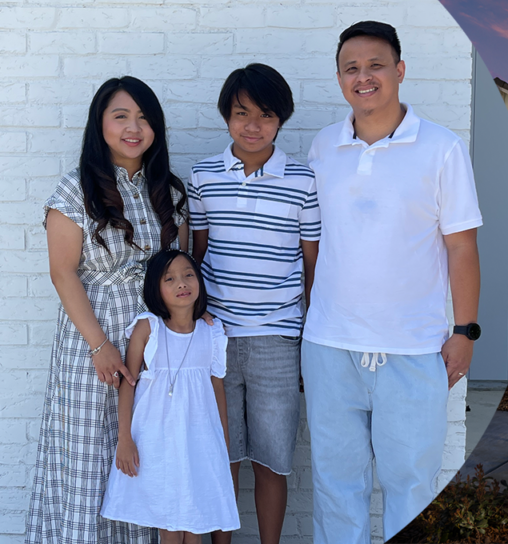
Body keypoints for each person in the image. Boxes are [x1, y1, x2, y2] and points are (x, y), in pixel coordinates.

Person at [302, 20, 483, 543]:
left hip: (412, 349)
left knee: (412, 490)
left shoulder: (442, 149)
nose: (364, 77)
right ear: (339, 79)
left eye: (375, 65)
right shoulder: (322, 150)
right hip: (330, 346)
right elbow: (312, 245)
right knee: (337, 488)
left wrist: (465, 330)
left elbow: (461, 246)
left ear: (400, 71)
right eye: (351, 68)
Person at [26, 77, 190, 544]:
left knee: (142, 450)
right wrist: (100, 346)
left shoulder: (169, 191)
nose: (133, 127)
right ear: (100, 125)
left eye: (144, 118)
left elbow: (179, 270)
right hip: (91, 343)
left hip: (154, 345)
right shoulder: (76, 189)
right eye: (121, 116)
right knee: (89, 453)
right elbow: (63, 273)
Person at [187, 63, 320, 544]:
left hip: (277, 340)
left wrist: (308, 337)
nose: (252, 125)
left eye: (265, 115)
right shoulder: (202, 177)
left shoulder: (303, 181)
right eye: (241, 113)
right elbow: (196, 255)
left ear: (280, 120)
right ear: (226, 116)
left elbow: (312, 268)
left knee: (272, 459)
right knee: (222, 456)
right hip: (216, 339)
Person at [99, 250, 239, 542]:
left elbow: (217, 389)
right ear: (156, 288)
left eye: (189, 275)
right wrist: (124, 438)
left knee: (196, 519)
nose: (181, 283)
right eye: (170, 278)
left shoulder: (211, 333)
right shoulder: (148, 328)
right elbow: (128, 383)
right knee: (169, 521)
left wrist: (222, 445)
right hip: (158, 441)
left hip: (199, 441)